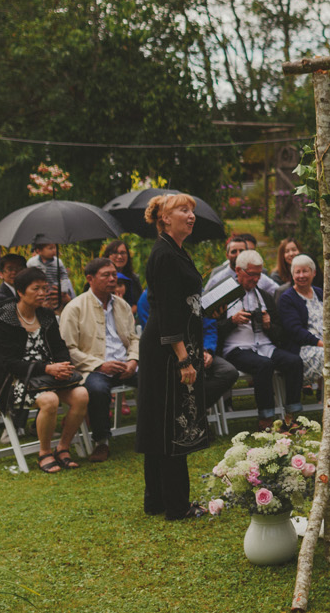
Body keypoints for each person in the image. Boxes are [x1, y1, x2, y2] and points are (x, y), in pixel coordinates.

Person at [137, 192, 212, 520]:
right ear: (164, 218)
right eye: (183, 210)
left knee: (158, 423)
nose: (191, 215)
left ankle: (156, 500)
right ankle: (178, 506)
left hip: (174, 347)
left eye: (192, 211)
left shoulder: (176, 251)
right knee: (170, 425)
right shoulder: (165, 254)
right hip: (168, 352)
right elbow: (167, 310)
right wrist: (183, 359)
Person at [0, 266, 88, 473]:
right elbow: (8, 362)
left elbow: (59, 347)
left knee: (81, 395)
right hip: (14, 379)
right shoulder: (5, 318)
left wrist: (62, 366)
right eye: (36, 289)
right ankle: (44, 453)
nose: (43, 293)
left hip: (47, 376)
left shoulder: (46, 315)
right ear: (21, 292)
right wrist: (47, 368)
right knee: (49, 400)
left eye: (45, 288)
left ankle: (63, 447)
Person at [60, 257, 140, 462]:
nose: (113, 279)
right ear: (90, 278)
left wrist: (133, 361)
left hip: (124, 365)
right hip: (93, 368)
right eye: (106, 275)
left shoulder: (121, 305)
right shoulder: (75, 307)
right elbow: (68, 348)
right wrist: (100, 364)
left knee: (156, 378)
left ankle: (153, 430)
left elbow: (133, 338)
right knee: (96, 389)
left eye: (114, 274)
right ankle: (101, 441)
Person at [219, 250, 303, 430]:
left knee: (294, 361)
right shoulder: (224, 296)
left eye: (259, 274)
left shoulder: (264, 297)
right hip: (236, 347)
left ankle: (291, 416)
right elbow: (210, 328)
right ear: (238, 271)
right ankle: (266, 419)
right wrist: (232, 321)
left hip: (264, 345)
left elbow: (280, 333)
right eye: (252, 275)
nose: (256, 279)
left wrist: (268, 325)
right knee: (264, 365)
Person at [277, 254, 330, 416]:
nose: (302, 275)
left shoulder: (319, 293)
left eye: (306, 271)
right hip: (305, 348)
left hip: (329, 344)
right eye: (298, 272)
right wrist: (323, 344)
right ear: (292, 274)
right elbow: (294, 330)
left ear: (314, 273)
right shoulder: (287, 299)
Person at [26, 242, 74, 313]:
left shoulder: (58, 262)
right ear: (39, 251)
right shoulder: (32, 262)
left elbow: (64, 276)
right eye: (50, 248)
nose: (54, 250)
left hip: (54, 291)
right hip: (40, 291)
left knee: (56, 308)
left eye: (55, 247)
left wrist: (63, 290)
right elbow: (27, 276)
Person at [101, 240, 143, 309]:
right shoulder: (100, 278)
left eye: (123, 253)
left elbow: (138, 303)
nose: (120, 256)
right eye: (115, 253)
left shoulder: (134, 279)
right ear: (108, 256)